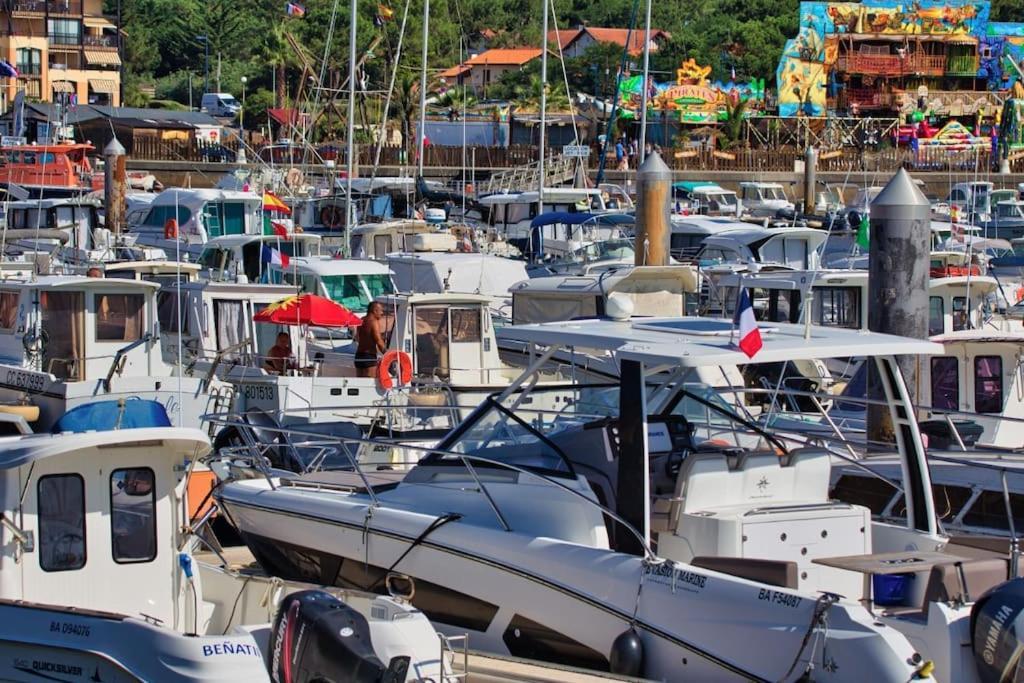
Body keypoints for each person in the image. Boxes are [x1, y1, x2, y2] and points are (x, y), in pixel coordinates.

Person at [355, 301, 387, 377]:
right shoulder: (374, 322)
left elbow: (358, 338)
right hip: (369, 357)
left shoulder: (361, 320)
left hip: (359, 356)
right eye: (381, 310)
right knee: (369, 383)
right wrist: (387, 354)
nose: (382, 313)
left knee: (360, 383)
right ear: (375, 310)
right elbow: (378, 341)